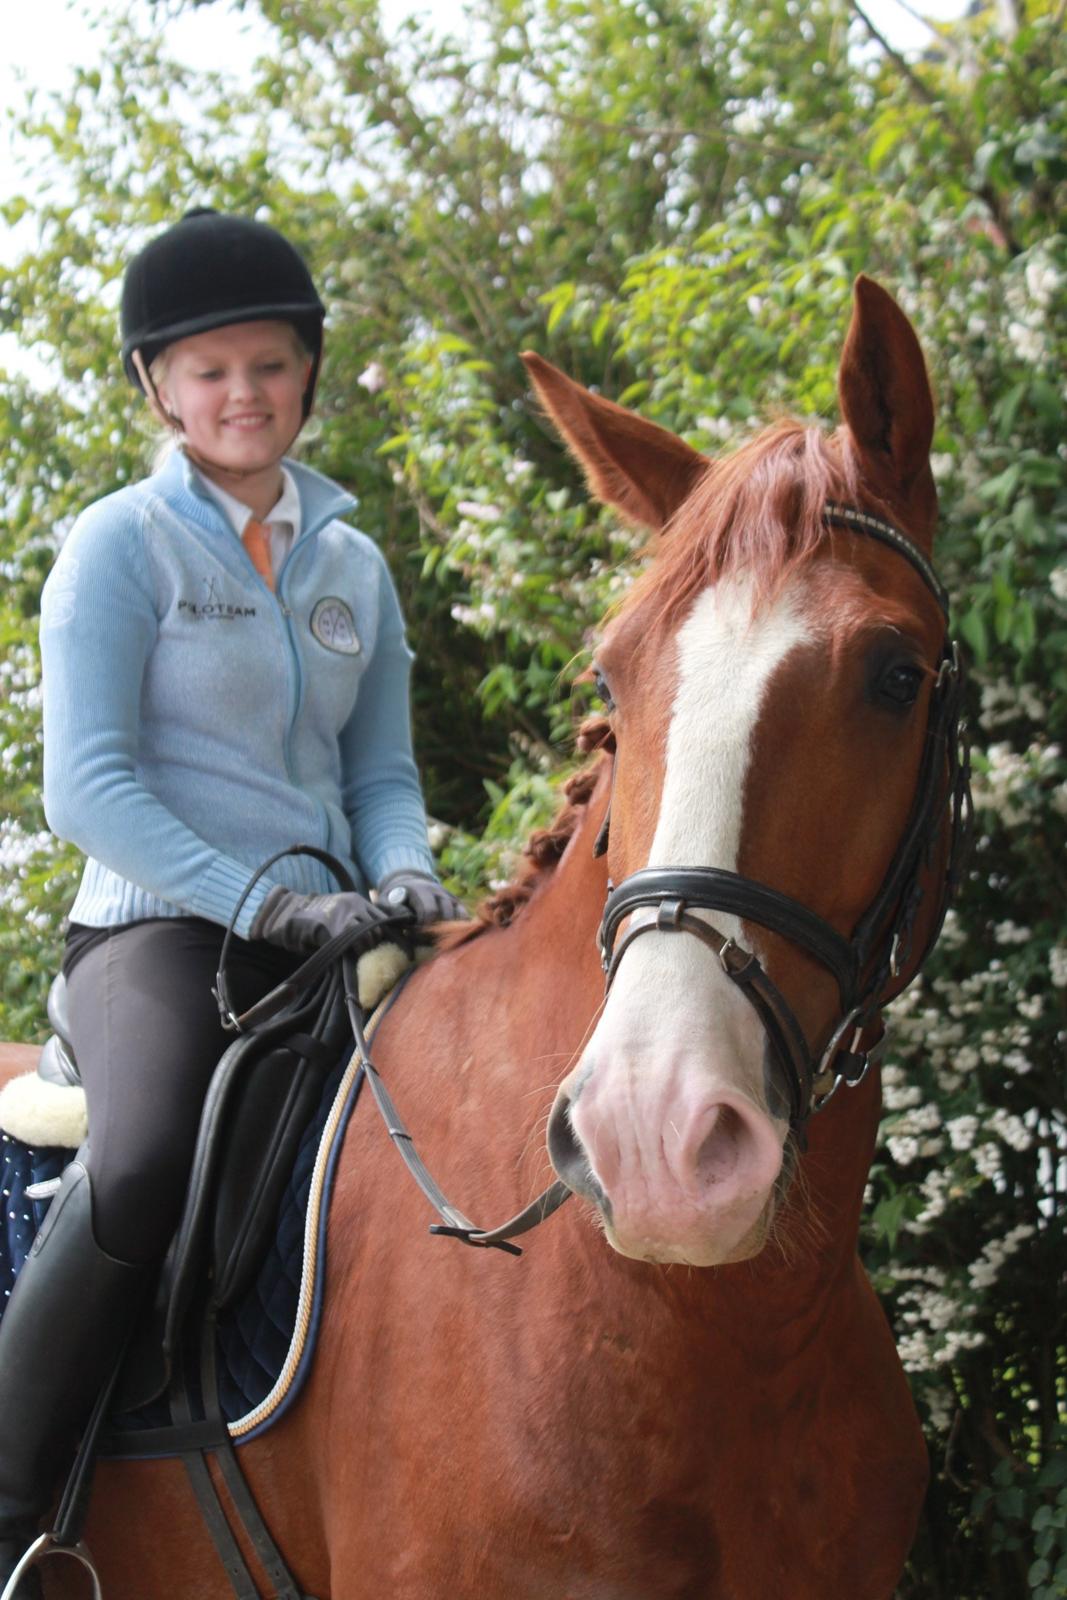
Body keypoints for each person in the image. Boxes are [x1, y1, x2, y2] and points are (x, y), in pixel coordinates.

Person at [0, 208, 463, 1595]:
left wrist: (410, 875)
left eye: (268, 365)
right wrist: (259, 900)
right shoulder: (118, 547)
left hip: (335, 927)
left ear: (309, 375)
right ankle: (13, 1503)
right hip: (155, 928)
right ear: (157, 387)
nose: (242, 395)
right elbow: (87, 787)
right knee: (141, 1158)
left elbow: (379, 769)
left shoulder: (355, 568)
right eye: (208, 372)